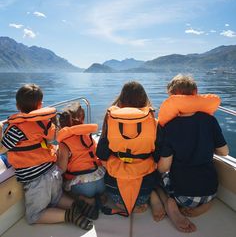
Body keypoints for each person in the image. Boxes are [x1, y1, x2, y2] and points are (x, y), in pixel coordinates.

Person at [0, 84, 97, 230]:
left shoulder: (15, 129)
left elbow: (2, 148)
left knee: (34, 216)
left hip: (35, 181)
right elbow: (54, 137)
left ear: (17, 105)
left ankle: (69, 216)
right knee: (56, 198)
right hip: (53, 172)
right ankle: (79, 206)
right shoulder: (44, 122)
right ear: (40, 105)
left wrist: (2, 129)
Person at [156, 74, 229, 233]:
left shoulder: (169, 128)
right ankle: (207, 204)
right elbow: (224, 152)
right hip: (211, 191)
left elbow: (164, 167)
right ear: (195, 92)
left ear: (171, 98)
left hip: (185, 197)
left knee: (155, 177)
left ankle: (171, 205)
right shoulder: (210, 121)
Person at [96, 81, 165, 219]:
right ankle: (153, 196)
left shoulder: (110, 119)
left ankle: (123, 204)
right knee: (157, 167)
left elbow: (101, 153)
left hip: (115, 192)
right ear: (144, 98)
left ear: (121, 99)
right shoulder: (154, 122)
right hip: (144, 190)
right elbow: (158, 156)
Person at [57, 102, 105, 208]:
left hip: (84, 187)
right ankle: (101, 195)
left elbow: (62, 168)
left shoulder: (64, 143)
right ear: (82, 119)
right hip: (101, 181)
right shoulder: (88, 137)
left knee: (62, 189)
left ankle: (85, 200)